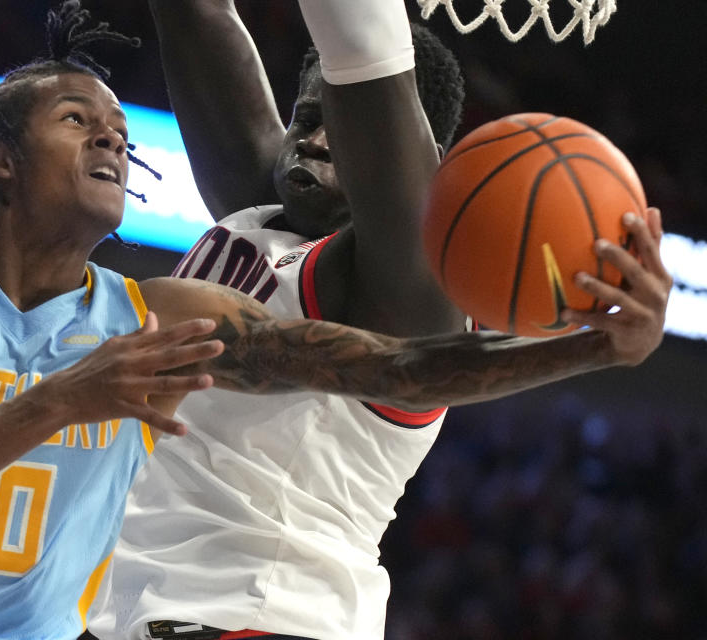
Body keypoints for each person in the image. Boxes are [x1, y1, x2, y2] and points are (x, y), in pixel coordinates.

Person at [86, 2, 673, 640]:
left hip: (261, 612)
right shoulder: (261, 214)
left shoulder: (407, 286)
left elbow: (362, 50)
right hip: (129, 606)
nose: (314, 139)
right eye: (305, 120)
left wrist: (595, 350)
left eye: (343, 128)